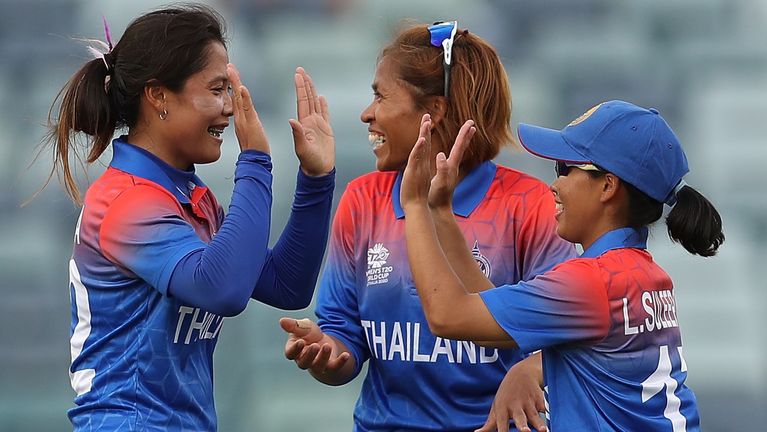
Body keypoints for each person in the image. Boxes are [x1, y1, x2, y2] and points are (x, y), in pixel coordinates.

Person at [48, 5, 335, 430]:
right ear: (158, 95)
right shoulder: (126, 202)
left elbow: (286, 284)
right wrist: (255, 161)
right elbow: (222, 289)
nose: (229, 108)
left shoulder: (188, 196)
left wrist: (316, 178)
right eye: (217, 89)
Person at [279, 21, 575, 431]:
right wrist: (326, 352)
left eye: (380, 96)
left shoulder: (529, 206)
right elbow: (342, 335)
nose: (367, 114)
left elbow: (564, 337)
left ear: (433, 111)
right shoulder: (363, 200)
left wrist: (530, 371)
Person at [400, 100, 725, 431]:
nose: (554, 184)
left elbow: (447, 316)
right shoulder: (642, 274)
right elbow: (492, 324)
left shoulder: (591, 282)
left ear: (608, 187)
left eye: (565, 168)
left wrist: (414, 205)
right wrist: (441, 213)